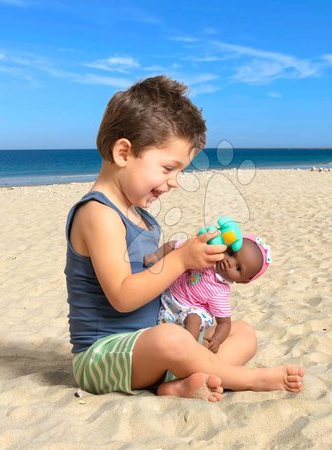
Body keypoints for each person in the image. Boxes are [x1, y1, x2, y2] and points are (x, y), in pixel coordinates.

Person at [65, 75, 304, 402]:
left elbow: (160, 283)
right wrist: (180, 260)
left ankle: (174, 385)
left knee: (243, 333)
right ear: (124, 152)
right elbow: (122, 296)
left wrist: (196, 265)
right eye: (167, 168)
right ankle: (244, 379)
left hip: (152, 342)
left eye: (180, 172)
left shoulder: (141, 216)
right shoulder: (98, 214)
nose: (175, 182)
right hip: (102, 355)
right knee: (170, 340)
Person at [145, 234, 272, 354]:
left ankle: (188, 349)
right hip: (170, 295)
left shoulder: (220, 293)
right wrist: (157, 255)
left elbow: (224, 323)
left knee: (194, 319)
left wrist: (217, 339)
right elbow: (175, 246)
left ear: (243, 281)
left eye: (238, 268)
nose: (230, 262)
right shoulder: (205, 257)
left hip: (190, 311)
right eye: (231, 253)